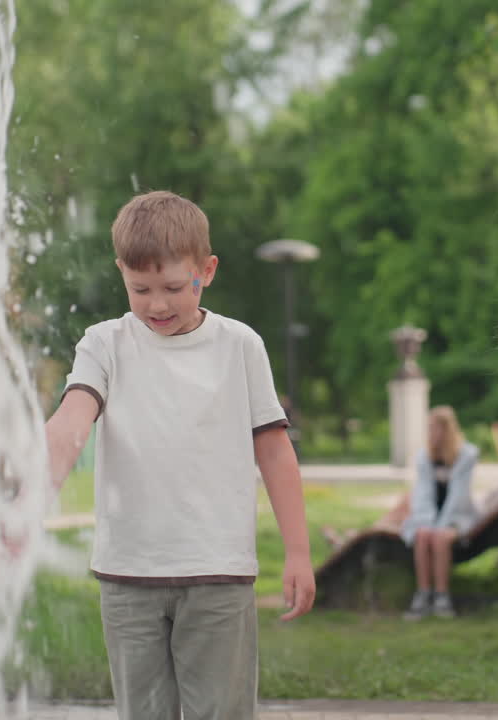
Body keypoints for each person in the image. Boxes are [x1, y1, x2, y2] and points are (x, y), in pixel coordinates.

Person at [42, 190, 315, 720]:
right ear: (121, 271)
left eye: (173, 286)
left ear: (206, 271)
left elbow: (275, 453)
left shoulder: (239, 345)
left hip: (219, 573)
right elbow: (71, 422)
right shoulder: (105, 344)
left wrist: (298, 553)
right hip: (128, 575)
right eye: (139, 288)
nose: (158, 304)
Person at [401, 406, 480, 620]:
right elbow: (423, 493)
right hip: (429, 515)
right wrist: (427, 523)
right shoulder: (424, 457)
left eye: (435, 428)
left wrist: (442, 525)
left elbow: (458, 496)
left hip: (457, 517)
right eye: (429, 428)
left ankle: (442, 596)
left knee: (441, 537)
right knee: (422, 534)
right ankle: (423, 594)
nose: (431, 433)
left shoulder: (466, 455)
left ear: (447, 430)